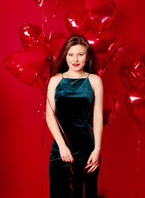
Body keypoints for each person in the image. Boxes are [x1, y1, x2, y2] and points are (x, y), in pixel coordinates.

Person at [46, 35, 104, 198]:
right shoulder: (55, 80)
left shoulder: (95, 80)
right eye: (71, 54)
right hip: (60, 149)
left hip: (87, 150)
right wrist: (62, 147)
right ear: (65, 55)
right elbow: (50, 116)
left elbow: (98, 117)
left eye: (80, 54)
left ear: (87, 57)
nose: (75, 59)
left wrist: (97, 149)